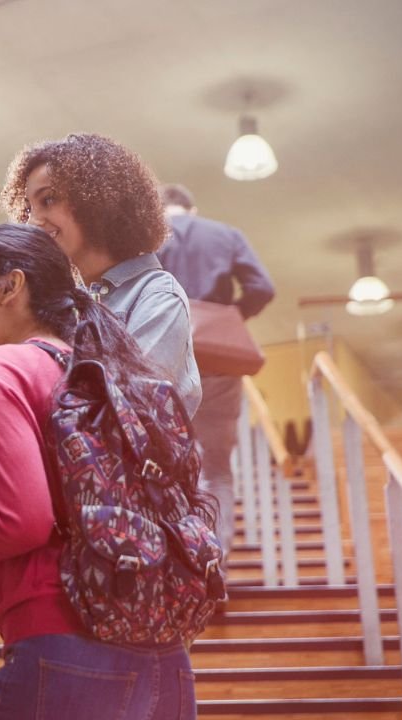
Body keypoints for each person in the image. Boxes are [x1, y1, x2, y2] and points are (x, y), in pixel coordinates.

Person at [0, 223, 207, 720]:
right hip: (166, 659)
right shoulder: (104, 369)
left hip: (64, 649)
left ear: (10, 286)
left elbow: (24, 522)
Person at [1, 133, 201, 416]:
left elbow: (130, 408)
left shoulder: (157, 295)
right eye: (29, 209)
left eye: (48, 199)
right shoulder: (64, 305)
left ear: (94, 201)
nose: (32, 221)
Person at [158, 182, 275, 558]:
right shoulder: (225, 235)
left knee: (162, 463)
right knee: (217, 468)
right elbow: (262, 287)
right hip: (218, 364)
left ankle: (177, 561)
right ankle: (216, 562)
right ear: (192, 209)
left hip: (163, 359)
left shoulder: (145, 237)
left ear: (158, 207)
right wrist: (227, 319)